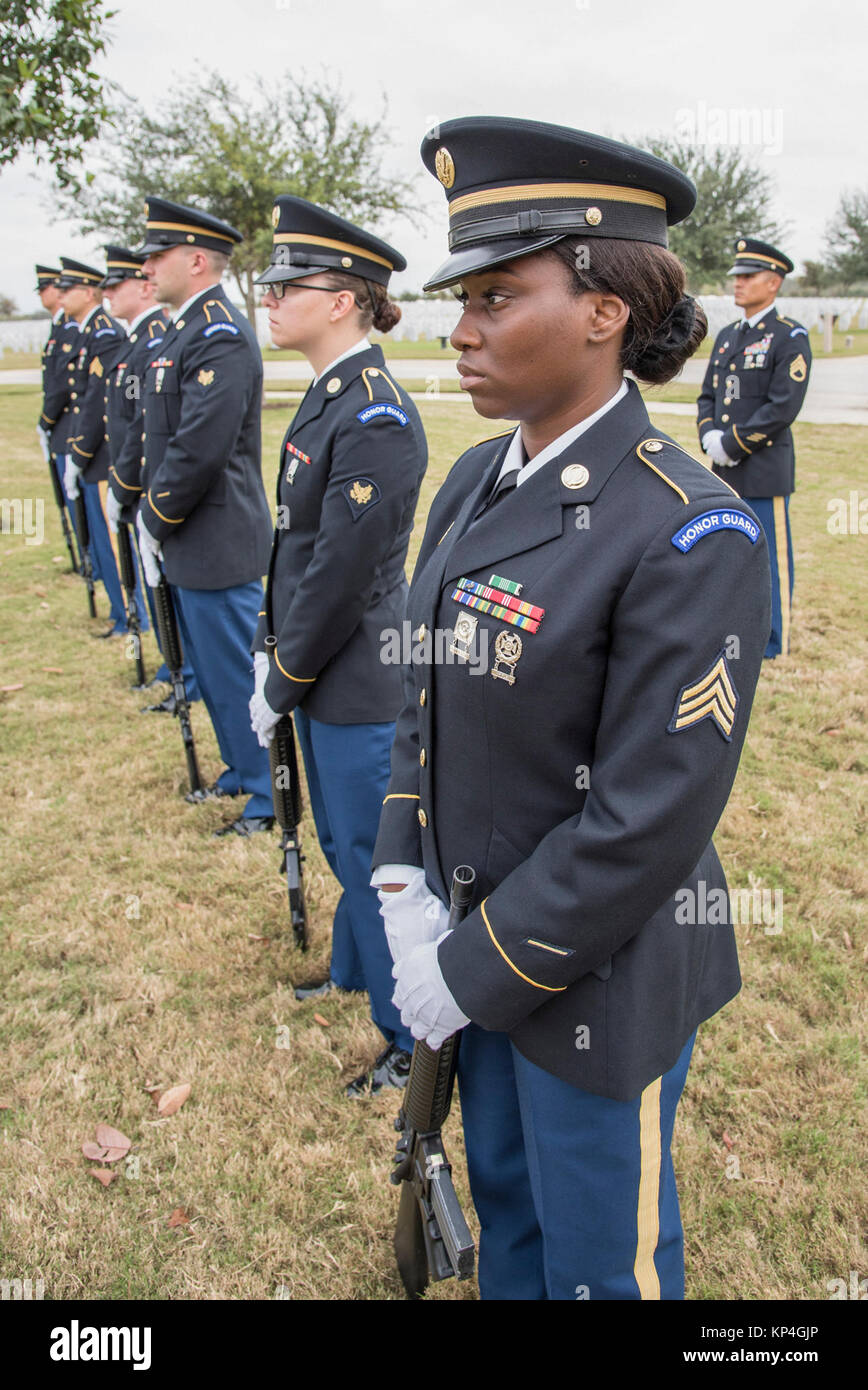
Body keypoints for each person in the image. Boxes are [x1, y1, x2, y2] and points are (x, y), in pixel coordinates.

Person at [372, 116, 772, 1300]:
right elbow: (423, 690)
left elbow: (648, 814)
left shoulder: (688, 527)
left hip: (592, 975)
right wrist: (403, 873)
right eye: (465, 298)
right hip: (469, 940)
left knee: (600, 1261)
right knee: (512, 1221)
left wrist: (475, 965)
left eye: (498, 296)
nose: (464, 329)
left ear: (603, 312)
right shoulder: (475, 476)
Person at [249, 196, 428, 1095]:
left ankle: (408, 1039)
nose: (270, 297)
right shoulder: (328, 401)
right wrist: (268, 647)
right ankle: (358, 974)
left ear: (347, 300)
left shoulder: (376, 416)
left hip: (357, 679)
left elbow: (341, 575)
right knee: (339, 842)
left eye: (290, 283)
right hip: (321, 669)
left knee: (372, 857)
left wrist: (285, 674)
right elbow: (293, 548)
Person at [134, 198, 274, 834]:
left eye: (157, 254)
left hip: (215, 538)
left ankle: (268, 794)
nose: (147, 266)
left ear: (194, 259)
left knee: (235, 674)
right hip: (193, 538)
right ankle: (242, 772)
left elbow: (199, 447)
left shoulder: (218, 331)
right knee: (214, 675)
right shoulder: (185, 327)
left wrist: (154, 516)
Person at [696, 237, 810, 659]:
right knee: (728, 550)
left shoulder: (788, 337)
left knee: (770, 558)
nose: (738, 283)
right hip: (722, 467)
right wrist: (709, 434)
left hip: (762, 466)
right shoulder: (727, 337)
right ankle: (729, 627)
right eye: (736, 276)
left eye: (748, 276)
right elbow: (708, 396)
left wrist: (733, 442)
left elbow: (783, 406)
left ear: (774, 283)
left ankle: (773, 640)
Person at [101, 243, 200, 709]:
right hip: (144, 485)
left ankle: (182, 673)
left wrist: (150, 507)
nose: (108, 294)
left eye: (115, 284)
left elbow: (187, 441)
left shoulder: (171, 338)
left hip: (169, 502)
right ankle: (173, 666)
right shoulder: (152, 339)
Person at [57, 256, 129, 635]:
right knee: (100, 540)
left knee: (112, 545)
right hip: (87, 455)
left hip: (100, 457)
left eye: (67, 288)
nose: (60, 294)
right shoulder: (85, 332)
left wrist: (79, 453)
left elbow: (98, 401)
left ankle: (130, 616)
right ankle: (120, 614)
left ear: (88, 292)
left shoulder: (103, 333)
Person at [36, 264, 81, 556]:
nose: (44, 294)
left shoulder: (73, 331)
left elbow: (65, 384)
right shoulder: (59, 330)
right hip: (68, 432)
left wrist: (46, 420)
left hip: (74, 433)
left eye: (47, 288)